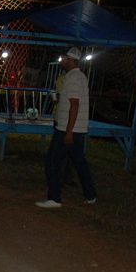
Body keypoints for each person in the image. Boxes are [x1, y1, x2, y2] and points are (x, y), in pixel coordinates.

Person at [36, 46, 97, 209]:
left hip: (68, 129)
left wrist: (68, 132)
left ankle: (54, 198)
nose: (61, 61)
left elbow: (74, 106)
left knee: (53, 162)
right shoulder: (79, 76)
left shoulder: (73, 78)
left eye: (63, 58)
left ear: (70, 60)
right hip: (76, 129)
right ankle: (90, 194)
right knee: (79, 162)